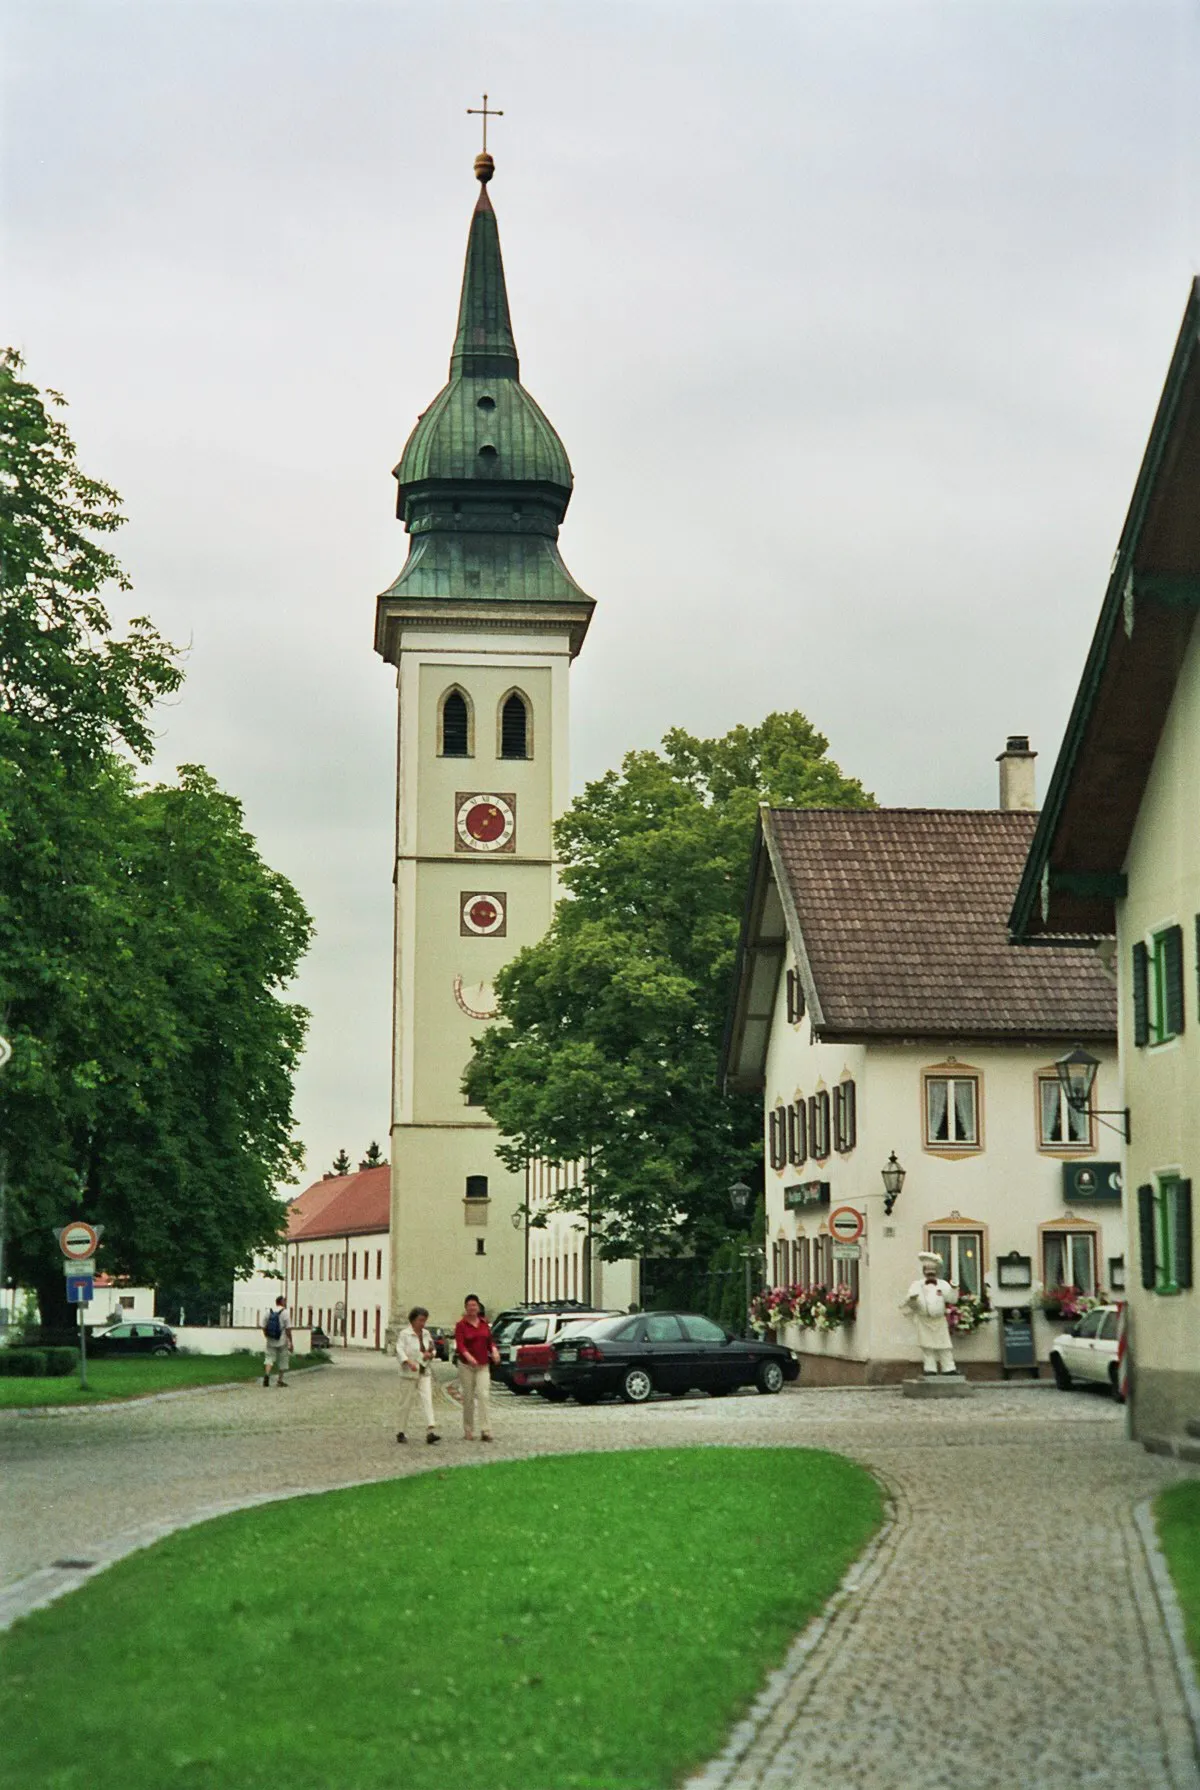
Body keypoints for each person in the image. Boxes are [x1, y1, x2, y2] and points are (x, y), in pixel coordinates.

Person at [900, 1253, 959, 1376]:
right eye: (927, 1271)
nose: (930, 1273)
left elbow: (952, 1300)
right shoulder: (916, 1285)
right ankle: (930, 1369)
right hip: (924, 1320)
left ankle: (949, 1368)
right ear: (924, 1272)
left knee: (945, 1346)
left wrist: (954, 1289)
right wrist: (913, 1301)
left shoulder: (943, 1284)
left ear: (937, 1272)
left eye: (932, 1271)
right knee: (927, 1347)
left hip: (939, 1320)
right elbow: (909, 1303)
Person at [454, 1293, 499, 1441]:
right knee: (468, 1397)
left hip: (483, 1365)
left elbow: (490, 1341)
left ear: (478, 1307)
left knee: (483, 1395)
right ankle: (468, 1429)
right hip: (466, 1366)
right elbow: (460, 1345)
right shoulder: (461, 1325)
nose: (472, 1308)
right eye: (469, 1305)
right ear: (465, 1308)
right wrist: (468, 1357)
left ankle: (486, 1430)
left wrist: (494, 1350)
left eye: (474, 1305)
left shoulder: (484, 1323)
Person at [396, 1305, 439, 1445]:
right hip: (409, 1373)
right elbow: (400, 1350)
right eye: (420, 1320)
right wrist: (408, 1362)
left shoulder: (426, 1334)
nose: (422, 1323)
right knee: (406, 1403)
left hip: (424, 1371)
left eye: (424, 1320)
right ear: (413, 1320)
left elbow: (433, 1349)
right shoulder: (405, 1334)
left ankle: (430, 1430)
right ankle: (401, 1431)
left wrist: (430, 1354)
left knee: (427, 1400)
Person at [262, 1295, 292, 1388]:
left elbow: (263, 1326)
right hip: (282, 1340)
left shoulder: (268, 1311)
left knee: (269, 1358)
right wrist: (290, 1341)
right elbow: (288, 1329)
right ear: (282, 1302)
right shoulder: (285, 1313)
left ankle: (267, 1374)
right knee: (283, 1359)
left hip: (270, 1339)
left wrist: (266, 1336)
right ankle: (280, 1380)